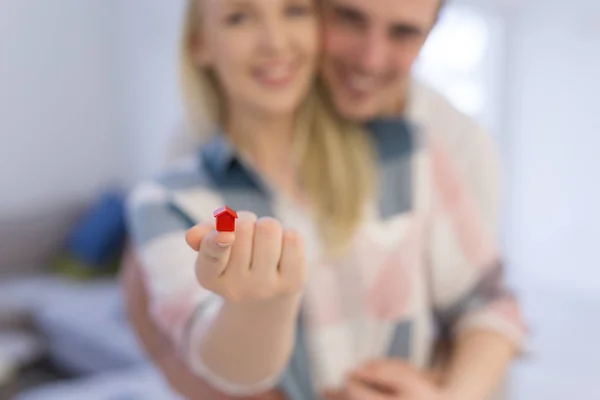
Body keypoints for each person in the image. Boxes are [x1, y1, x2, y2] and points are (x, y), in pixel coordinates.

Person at [122, 0, 526, 399]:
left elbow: (486, 303)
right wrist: (263, 304)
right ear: (199, 43)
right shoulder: (173, 191)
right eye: (239, 17)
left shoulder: (419, 148)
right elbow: (211, 361)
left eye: (294, 10)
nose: (275, 42)